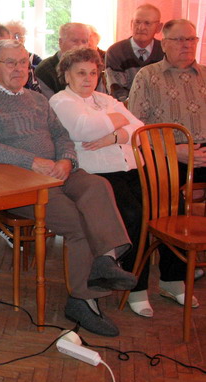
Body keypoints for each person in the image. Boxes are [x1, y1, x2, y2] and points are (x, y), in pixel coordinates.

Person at [0, 39, 137, 337]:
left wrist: (67, 161)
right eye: (10, 62)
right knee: (77, 223)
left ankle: (105, 262)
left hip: (59, 172)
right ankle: (83, 300)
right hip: (20, 184)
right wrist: (31, 161)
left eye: (22, 62)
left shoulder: (37, 99)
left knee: (98, 186)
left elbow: (62, 135)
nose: (19, 68)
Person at [49, 47, 196, 316]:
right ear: (66, 75)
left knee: (174, 203)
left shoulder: (104, 99)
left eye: (93, 73)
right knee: (134, 215)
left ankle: (171, 279)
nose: (87, 78)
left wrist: (115, 136)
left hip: (132, 167)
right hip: (98, 174)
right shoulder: (61, 101)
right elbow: (82, 129)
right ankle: (135, 287)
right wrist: (117, 121)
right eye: (80, 73)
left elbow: (139, 127)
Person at [128, 19, 206, 183]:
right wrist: (172, 150)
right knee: (151, 177)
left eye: (192, 39)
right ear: (164, 44)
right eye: (179, 40)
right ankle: (175, 209)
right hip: (167, 152)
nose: (187, 45)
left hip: (204, 149)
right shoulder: (147, 76)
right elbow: (136, 127)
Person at [105, 4, 164, 102]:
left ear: (158, 27)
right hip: (126, 109)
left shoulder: (165, 51)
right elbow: (117, 92)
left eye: (147, 23)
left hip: (158, 109)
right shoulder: (115, 52)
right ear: (131, 24)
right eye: (137, 22)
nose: (141, 27)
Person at [35, 22, 95, 99]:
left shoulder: (94, 67)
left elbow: (102, 101)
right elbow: (51, 106)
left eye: (84, 41)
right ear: (60, 42)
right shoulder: (44, 70)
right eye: (75, 41)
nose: (80, 46)